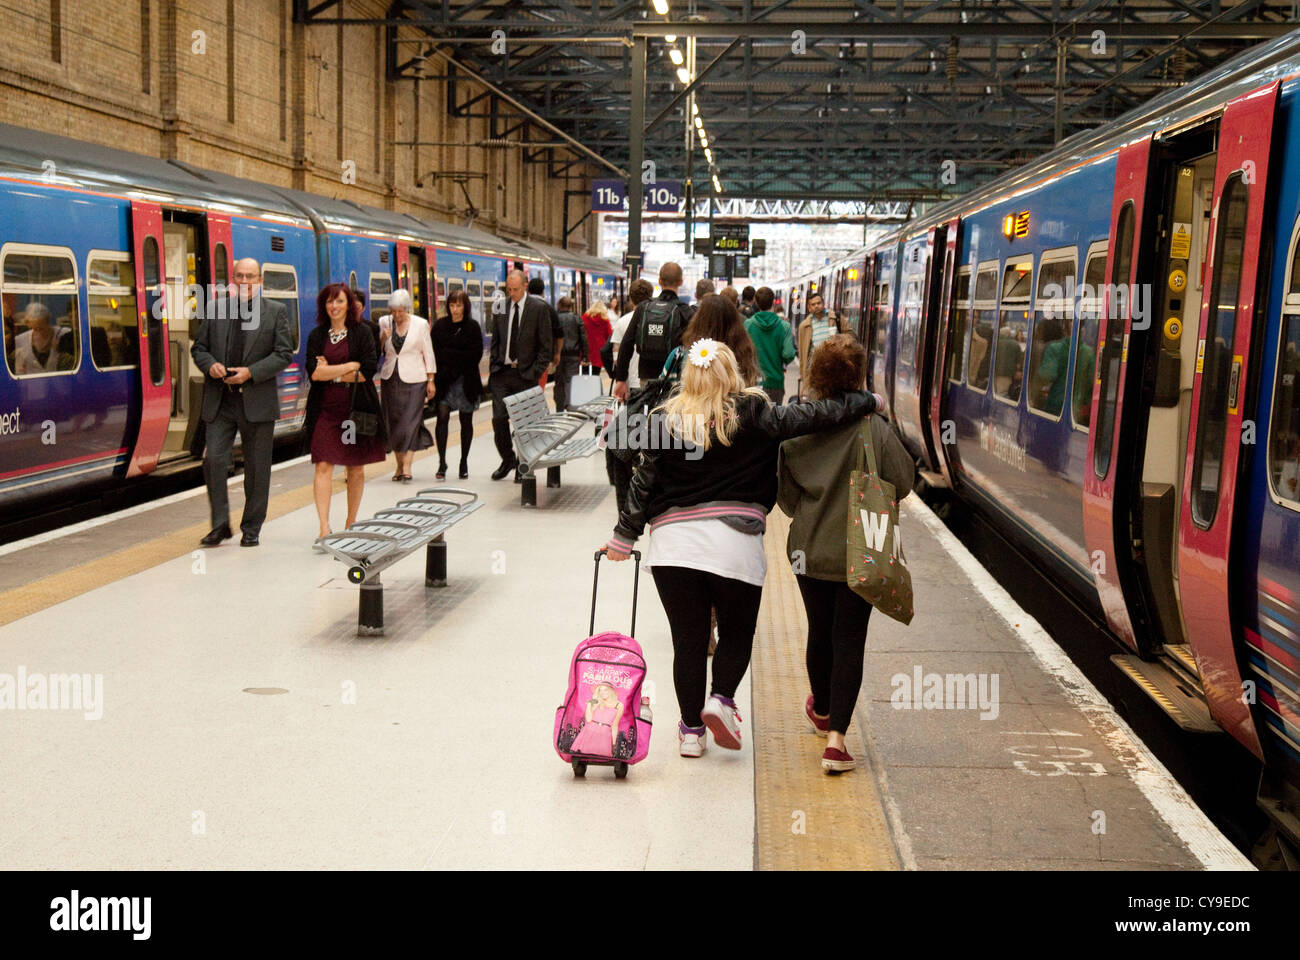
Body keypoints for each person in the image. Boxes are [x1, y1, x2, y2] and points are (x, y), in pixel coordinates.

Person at [603, 340, 881, 758]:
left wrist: (624, 536)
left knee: (689, 640)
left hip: (673, 549)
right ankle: (722, 699)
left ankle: (692, 733)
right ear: (732, 372)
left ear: (689, 376)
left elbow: (643, 481)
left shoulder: (666, 419)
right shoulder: (755, 413)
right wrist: (866, 400)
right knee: (736, 632)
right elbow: (814, 415)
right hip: (735, 546)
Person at [777, 335, 914, 773]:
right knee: (848, 639)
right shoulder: (873, 427)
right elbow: (903, 482)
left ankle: (820, 711)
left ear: (815, 375)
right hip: (862, 549)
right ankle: (836, 742)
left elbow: (784, 496)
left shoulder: (798, 426)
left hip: (809, 550)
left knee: (819, 630)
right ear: (858, 376)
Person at [191, 258, 295, 547]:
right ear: (233, 280)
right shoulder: (215, 309)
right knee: (213, 460)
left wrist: (251, 373)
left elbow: (283, 353)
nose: (245, 281)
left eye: (251, 277)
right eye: (240, 276)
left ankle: (252, 528)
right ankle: (220, 524)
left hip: (256, 400)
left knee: (257, 468)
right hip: (221, 400)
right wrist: (210, 364)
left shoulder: (276, 312)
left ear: (260, 281)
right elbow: (199, 348)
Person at [305, 284, 387, 543]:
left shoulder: (362, 333)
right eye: (329, 302)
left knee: (355, 467)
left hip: (355, 408)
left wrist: (334, 370)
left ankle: (351, 522)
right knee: (323, 464)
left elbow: (367, 371)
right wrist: (349, 367)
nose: (334, 306)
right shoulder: (317, 335)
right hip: (325, 409)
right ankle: (324, 528)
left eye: (339, 301)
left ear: (348, 304)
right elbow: (315, 374)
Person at [487, 269, 553, 480]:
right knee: (498, 419)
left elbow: (546, 346)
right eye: (509, 289)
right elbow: (496, 340)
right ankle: (508, 459)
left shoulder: (538, 308)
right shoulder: (500, 307)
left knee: (524, 424)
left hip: (526, 375)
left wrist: (536, 371)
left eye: (515, 289)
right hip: (502, 373)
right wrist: (494, 364)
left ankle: (524, 465)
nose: (512, 293)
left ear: (525, 286)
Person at [605, 278, 655, 517]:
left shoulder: (624, 321)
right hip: (650, 387)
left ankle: (630, 489)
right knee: (651, 437)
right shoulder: (657, 319)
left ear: (631, 298)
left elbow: (612, 352)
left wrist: (617, 377)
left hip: (630, 389)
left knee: (625, 440)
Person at [378, 288, 436, 483]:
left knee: (410, 422)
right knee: (393, 422)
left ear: (407, 308)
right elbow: (380, 351)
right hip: (390, 378)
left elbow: (428, 352)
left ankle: (407, 467)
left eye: (400, 311)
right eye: (393, 311)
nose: (396, 315)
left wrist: (430, 380)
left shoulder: (421, 324)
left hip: (415, 379)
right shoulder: (384, 322)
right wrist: (384, 338)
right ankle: (399, 465)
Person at [610, 262, 692, 400]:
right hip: (673, 378)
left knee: (648, 416)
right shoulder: (683, 310)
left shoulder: (644, 307)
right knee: (669, 418)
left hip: (646, 375)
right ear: (680, 282)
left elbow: (627, 343)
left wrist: (621, 379)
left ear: (659, 281)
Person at [431, 289, 484, 480]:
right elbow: (435, 352)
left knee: (466, 421)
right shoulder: (439, 326)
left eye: (459, 305)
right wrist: (456, 355)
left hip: (466, 381)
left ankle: (463, 462)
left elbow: (475, 354)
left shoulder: (472, 327)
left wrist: (450, 354)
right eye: (452, 305)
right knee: (442, 417)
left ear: (465, 306)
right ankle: (442, 461)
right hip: (445, 380)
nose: (455, 309)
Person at [745, 286, 795, 404]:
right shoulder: (784, 326)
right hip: (775, 382)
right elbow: (788, 354)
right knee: (773, 417)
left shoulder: (748, 324)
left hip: (753, 383)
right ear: (773, 302)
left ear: (756, 303)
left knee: (754, 419)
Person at [796, 292, 844, 397]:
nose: (816, 306)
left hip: (835, 368)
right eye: (813, 304)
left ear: (823, 304)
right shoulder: (804, 326)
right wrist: (803, 376)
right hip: (815, 371)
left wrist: (840, 340)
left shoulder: (836, 319)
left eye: (819, 303)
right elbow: (802, 353)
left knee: (834, 399)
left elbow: (850, 335)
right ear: (809, 308)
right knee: (816, 400)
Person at [529, 277, 564, 409]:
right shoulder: (549, 309)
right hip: (543, 357)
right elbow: (559, 334)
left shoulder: (524, 307)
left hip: (525, 358)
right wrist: (557, 353)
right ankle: (535, 414)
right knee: (539, 389)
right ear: (543, 292)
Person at [553, 295, 588, 412]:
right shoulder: (577, 318)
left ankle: (559, 407)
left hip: (558, 355)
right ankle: (570, 406)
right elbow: (583, 338)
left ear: (559, 305)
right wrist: (585, 356)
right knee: (571, 380)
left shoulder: (555, 318)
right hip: (573, 355)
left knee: (559, 382)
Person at [12, 303, 69, 375]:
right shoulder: (21, 339)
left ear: (48, 321)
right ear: (28, 324)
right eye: (35, 329)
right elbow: (19, 372)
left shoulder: (64, 334)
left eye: (41, 328)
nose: (38, 332)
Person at [582, 299, 613, 384]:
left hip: (587, 348)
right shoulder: (605, 320)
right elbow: (609, 335)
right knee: (596, 373)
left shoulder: (585, 317)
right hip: (599, 350)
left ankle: (585, 388)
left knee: (585, 373)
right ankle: (594, 389)